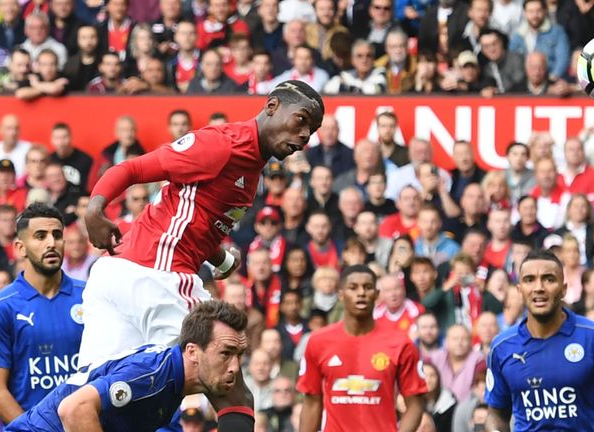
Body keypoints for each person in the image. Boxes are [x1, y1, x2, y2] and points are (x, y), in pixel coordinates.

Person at [80, 81, 324, 373]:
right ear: (272, 106)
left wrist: (220, 258)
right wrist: (94, 209)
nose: (305, 134)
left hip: (119, 274)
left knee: (99, 390)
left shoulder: (252, 168)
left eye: (312, 130)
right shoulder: (221, 144)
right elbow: (132, 168)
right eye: (302, 120)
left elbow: (195, 220)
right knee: (222, 368)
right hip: (158, 274)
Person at [6, 300, 256, 432]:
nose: (235, 366)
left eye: (240, 354)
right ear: (192, 351)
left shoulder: (172, 382)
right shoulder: (151, 376)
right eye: (226, 353)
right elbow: (74, 409)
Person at [484, 249, 594, 431]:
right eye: (530, 280)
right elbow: (496, 415)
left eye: (549, 279)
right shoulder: (502, 347)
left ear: (563, 289)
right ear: (520, 290)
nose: (539, 287)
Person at [0, 203, 85, 424]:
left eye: (57, 235)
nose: (51, 243)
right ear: (20, 248)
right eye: (40, 236)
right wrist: (35, 430)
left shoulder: (90, 296)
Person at [297, 265, 428, 432]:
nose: (361, 293)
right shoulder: (318, 341)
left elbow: (415, 404)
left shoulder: (401, 343)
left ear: (377, 295)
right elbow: (311, 403)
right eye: (353, 288)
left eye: (368, 287)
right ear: (341, 294)